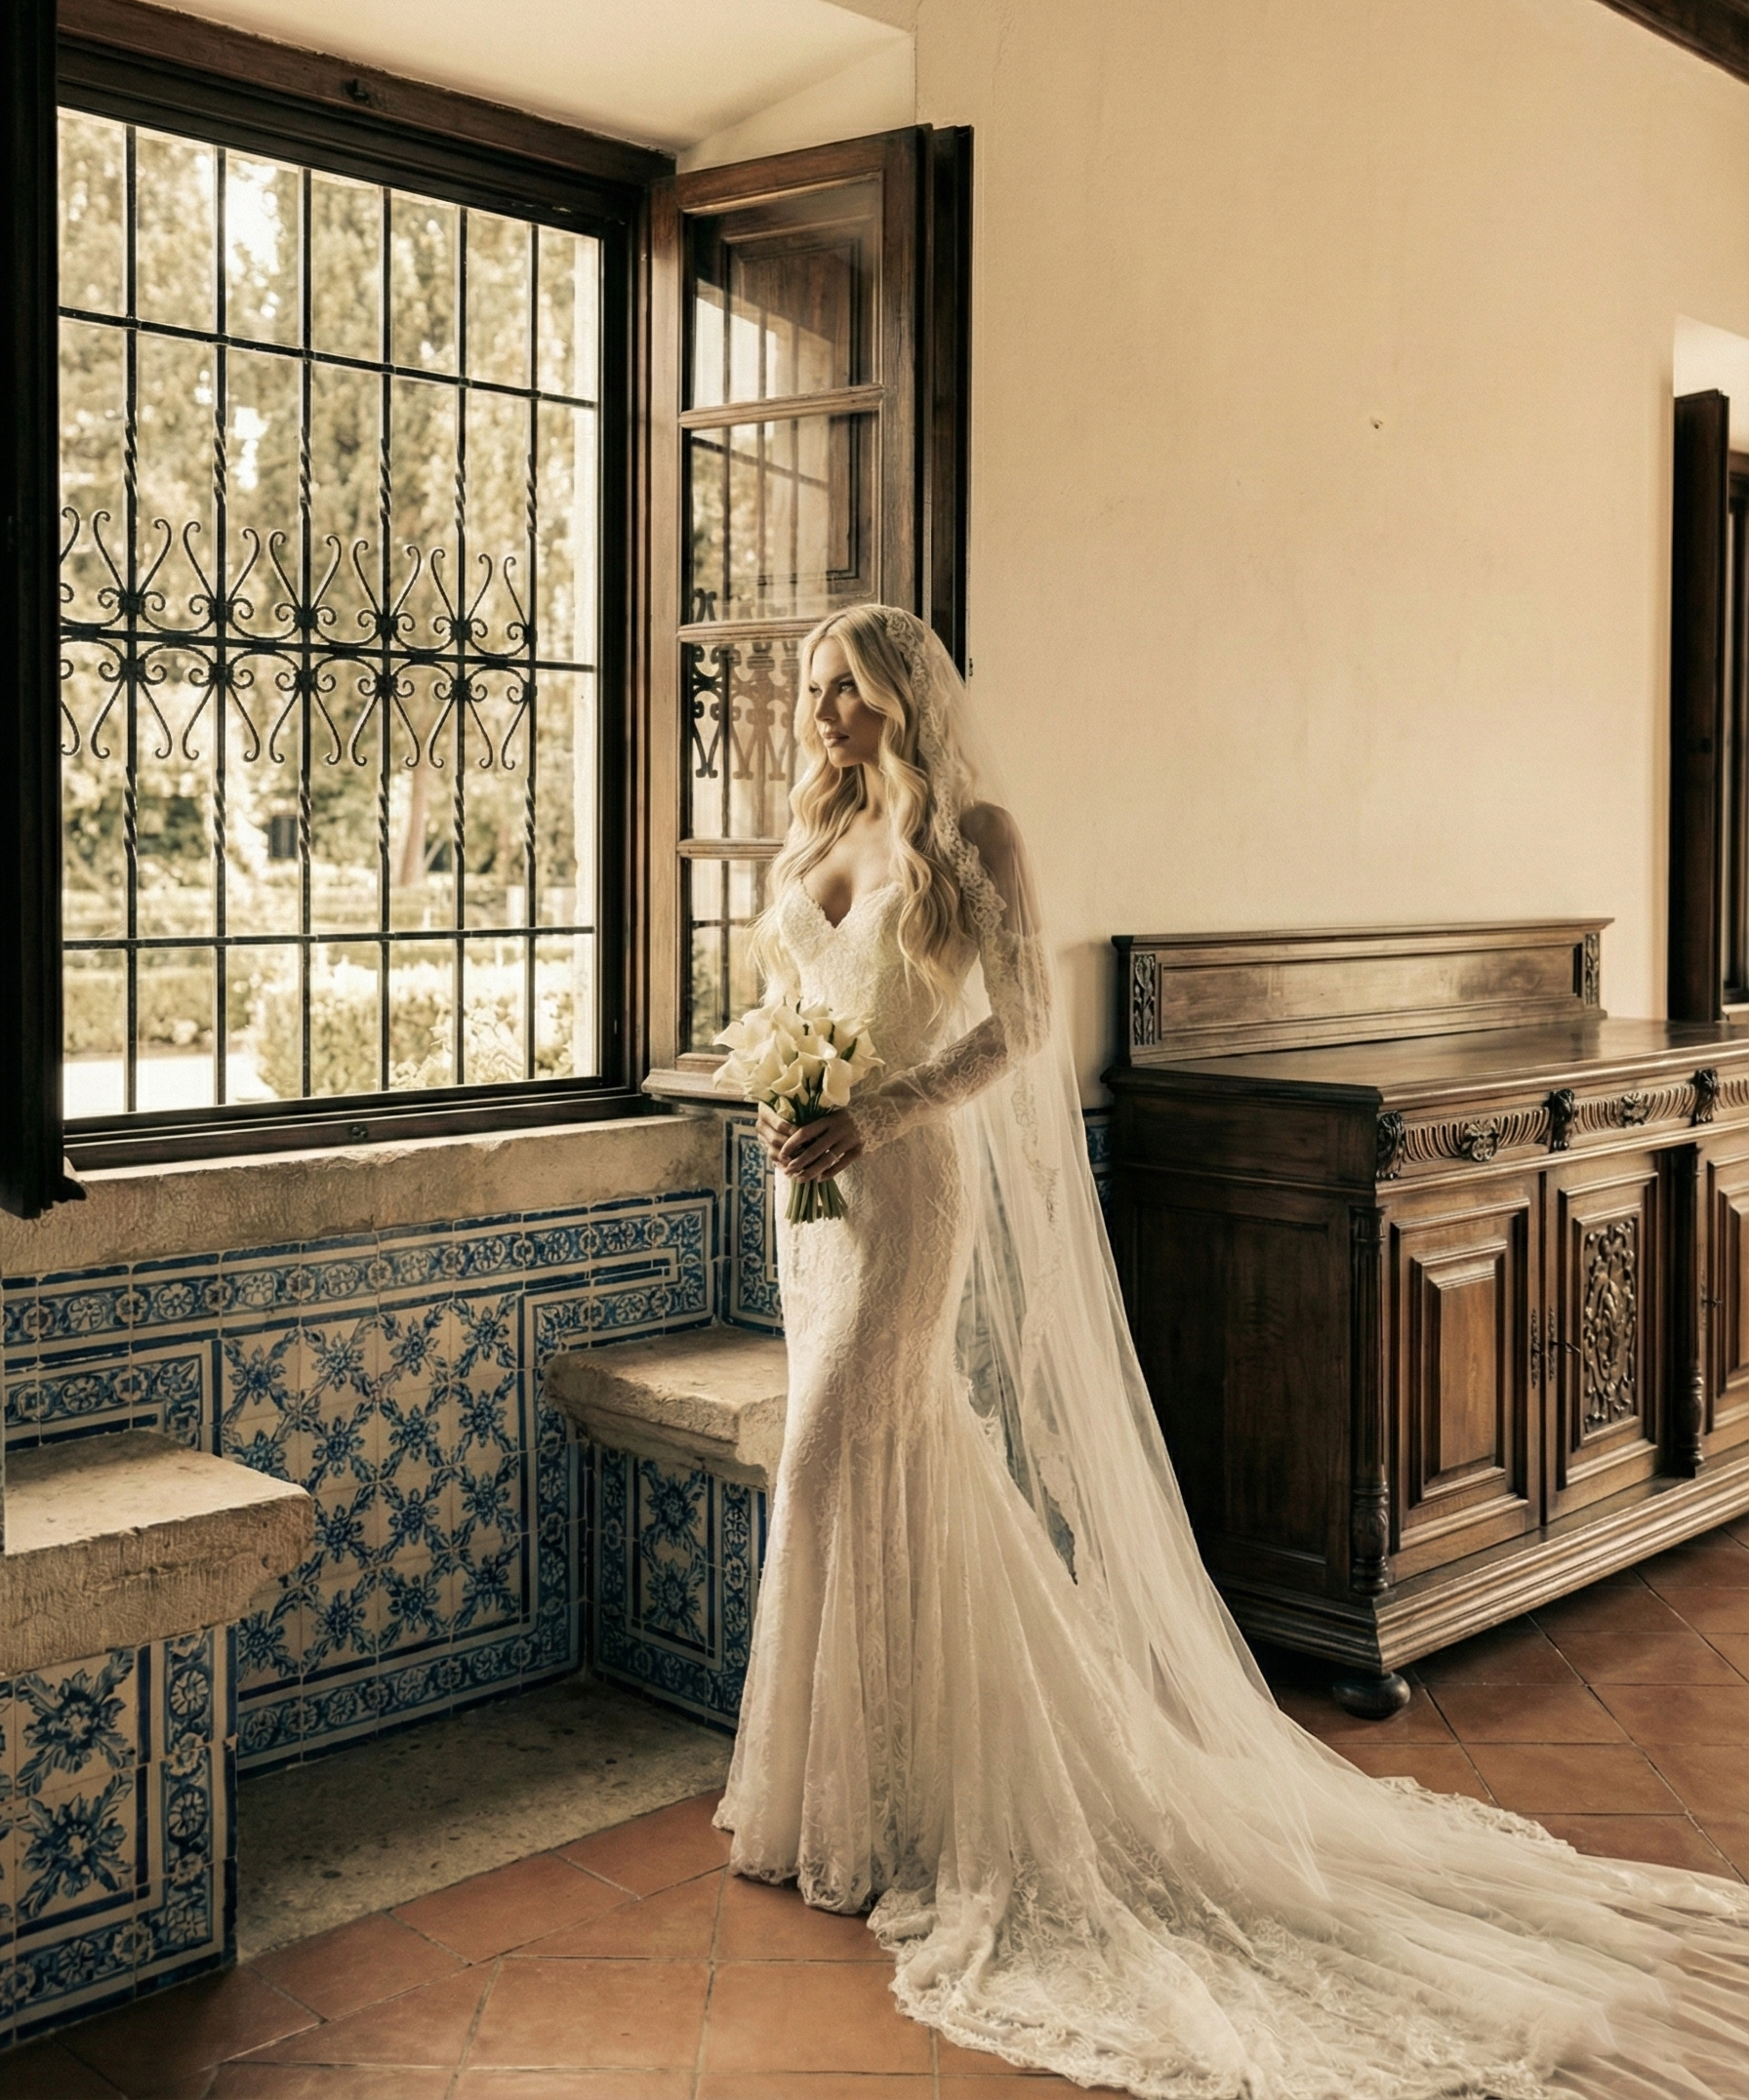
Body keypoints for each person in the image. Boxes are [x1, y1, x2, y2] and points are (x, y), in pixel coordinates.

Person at [714, 601, 1749, 2099]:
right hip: (814, 1203)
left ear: (910, 701)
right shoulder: (803, 843)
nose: (823, 715)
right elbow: (779, 1010)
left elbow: (1015, 1040)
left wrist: (875, 1111)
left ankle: (900, 1798)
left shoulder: (976, 840)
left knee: (826, 1471)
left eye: (852, 693)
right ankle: (856, 1800)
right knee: (880, 1462)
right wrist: (785, 1097)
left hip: (906, 1192)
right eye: (812, 689)